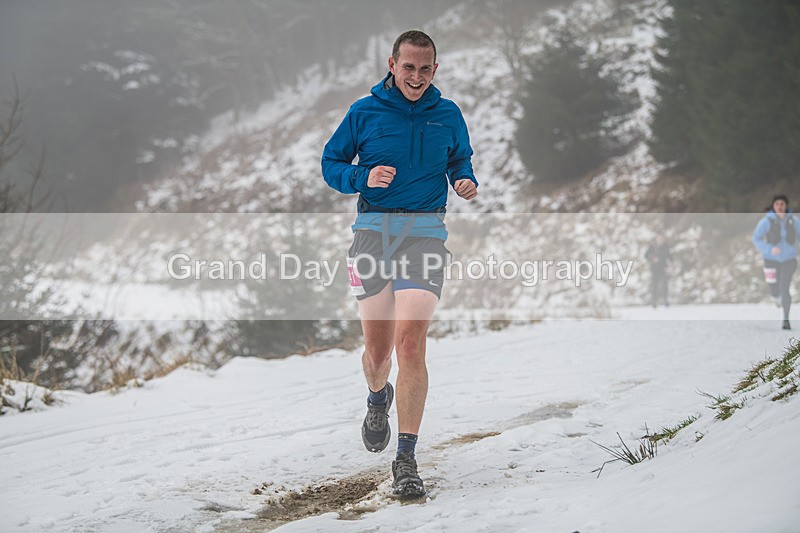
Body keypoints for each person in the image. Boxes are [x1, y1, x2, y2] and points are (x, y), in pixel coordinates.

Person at [321, 30, 478, 497]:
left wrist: (464, 179)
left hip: (426, 233)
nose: (416, 76)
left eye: (425, 68)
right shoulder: (364, 112)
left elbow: (460, 159)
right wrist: (361, 175)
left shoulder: (447, 114)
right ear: (392, 64)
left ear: (436, 70)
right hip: (371, 235)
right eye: (408, 67)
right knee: (379, 353)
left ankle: (406, 459)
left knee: (411, 346)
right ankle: (377, 396)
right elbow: (331, 164)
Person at [752, 194, 799, 330]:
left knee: (785, 287)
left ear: (786, 206)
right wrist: (770, 249)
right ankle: (775, 296)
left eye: (782, 204)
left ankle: (786, 319)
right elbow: (757, 239)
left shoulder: (793, 221)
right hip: (770, 260)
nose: (780, 206)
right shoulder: (766, 222)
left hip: (789, 259)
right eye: (777, 204)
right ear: (773, 206)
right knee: (774, 287)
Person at [645, 235, 671, 307]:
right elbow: (646, 255)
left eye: (661, 239)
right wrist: (652, 259)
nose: (660, 240)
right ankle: (654, 301)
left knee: (665, 285)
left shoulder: (665, 247)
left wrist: (672, 263)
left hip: (663, 267)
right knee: (654, 285)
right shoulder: (652, 247)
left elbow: (669, 256)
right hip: (655, 268)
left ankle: (665, 300)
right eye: (659, 239)